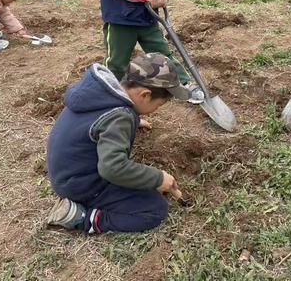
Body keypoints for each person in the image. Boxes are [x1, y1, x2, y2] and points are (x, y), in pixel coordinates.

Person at [46, 53, 188, 234]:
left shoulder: (102, 93)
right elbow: (113, 168)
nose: (154, 111)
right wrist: (157, 178)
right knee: (154, 209)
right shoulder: (119, 118)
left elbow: (100, 122)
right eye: (158, 106)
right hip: (81, 186)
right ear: (145, 94)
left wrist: (134, 120)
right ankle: (83, 218)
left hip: (65, 172)